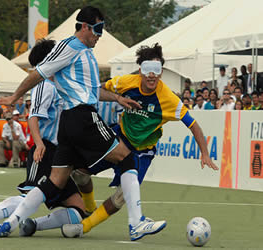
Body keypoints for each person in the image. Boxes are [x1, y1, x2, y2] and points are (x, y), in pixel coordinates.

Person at [0, 6, 164, 241]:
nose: (100, 34)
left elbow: (93, 91)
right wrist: (14, 97)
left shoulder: (84, 53)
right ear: (84, 26)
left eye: (102, 29)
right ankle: (136, 223)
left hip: (70, 122)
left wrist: (117, 98)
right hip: (82, 117)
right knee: (127, 158)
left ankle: (11, 222)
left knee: (55, 181)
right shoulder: (69, 47)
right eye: (97, 29)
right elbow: (39, 73)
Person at [59, 43, 218, 238]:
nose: (152, 75)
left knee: (121, 196)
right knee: (80, 174)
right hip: (119, 138)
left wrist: (205, 153)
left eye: (156, 70)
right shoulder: (126, 82)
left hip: (143, 151)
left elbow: (193, 124)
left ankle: (84, 227)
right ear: (140, 70)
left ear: (161, 73)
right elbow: (97, 90)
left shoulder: (168, 98)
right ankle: (89, 208)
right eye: (147, 69)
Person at [0, 39, 86, 238]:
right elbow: (33, 117)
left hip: (61, 155)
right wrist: (39, 143)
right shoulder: (43, 86)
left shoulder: (62, 84)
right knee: (30, 194)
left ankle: (33, 225)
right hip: (45, 150)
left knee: (78, 210)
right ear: (51, 59)